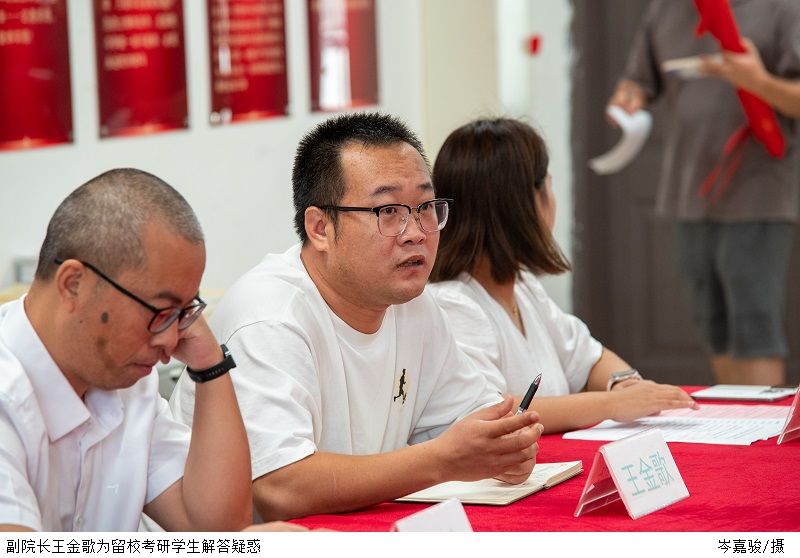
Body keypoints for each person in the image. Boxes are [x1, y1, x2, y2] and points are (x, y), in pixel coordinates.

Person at [170, 112, 542, 521]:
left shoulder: (414, 305)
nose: (416, 232)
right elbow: (280, 487)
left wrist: (503, 447)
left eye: (425, 207)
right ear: (320, 228)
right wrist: (443, 460)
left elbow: (471, 418)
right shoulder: (270, 318)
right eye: (388, 211)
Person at [0, 168, 301, 532]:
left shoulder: (127, 383)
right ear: (74, 284)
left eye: (183, 313)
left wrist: (211, 366)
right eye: (160, 312)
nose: (171, 340)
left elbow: (216, 528)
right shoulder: (8, 393)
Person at [429, 118, 698, 435]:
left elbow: (590, 358)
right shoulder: (455, 304)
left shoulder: (523, 286)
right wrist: (612, 404)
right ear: (522, 204)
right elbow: (491, 411)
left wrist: (624, 385)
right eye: (548, 184)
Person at [608, 0, 800, 385]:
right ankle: (736, 421)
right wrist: (628, 98)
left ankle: (763, 426)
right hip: (687, 193)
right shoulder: (665, 9)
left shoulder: (783, 7)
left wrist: (758, 81)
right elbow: (638, 81)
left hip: (757, 193)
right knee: (715, 330)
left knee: (753, 332)